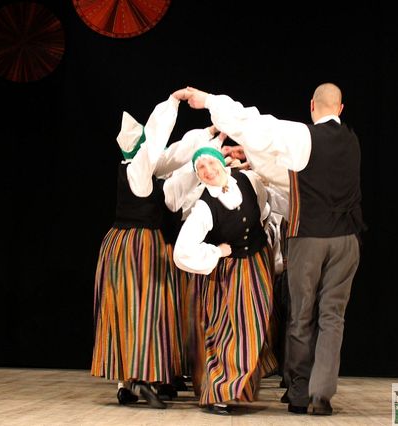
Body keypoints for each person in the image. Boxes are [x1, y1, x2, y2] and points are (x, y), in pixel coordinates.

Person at [180, 83, 366, 416]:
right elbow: (299, 178)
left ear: (312, 106)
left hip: (310, 237)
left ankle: (299, 393)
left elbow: (253, 123)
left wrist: (208, 100)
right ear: (340, 109)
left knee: (301, 316)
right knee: (332, 318)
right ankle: (321, 396)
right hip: (347, 240)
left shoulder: (303, 136)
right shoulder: (352, 141)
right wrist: (250, 157)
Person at [91, 92, 211, 408]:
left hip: (129, 245)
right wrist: (172, 102)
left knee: (132, 309)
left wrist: (211, 135)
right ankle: (140, 378)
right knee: (142, 309)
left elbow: (175, 155)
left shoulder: (146, 170)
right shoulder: (138, 168)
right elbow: (156, 143)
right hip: (136, 247)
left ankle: (126, 383)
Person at [172, 146, 277, 415]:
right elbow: (181, 252)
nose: (207, 171)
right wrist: (217, 251)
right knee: (231, 331)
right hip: (230, 272)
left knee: (255, 327)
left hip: (257, 263)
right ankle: (220, 392)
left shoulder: (247, 180)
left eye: (210, 164)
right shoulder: (204, 207)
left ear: (221, 163)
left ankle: (239, 388)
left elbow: (261, 207)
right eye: (200, 169)